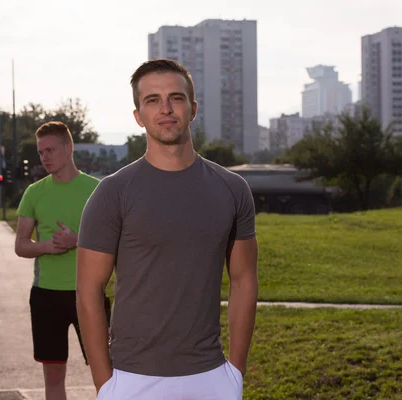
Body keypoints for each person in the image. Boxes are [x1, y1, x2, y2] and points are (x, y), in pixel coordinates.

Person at [76, 59, 259, 400]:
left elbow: (244, 279)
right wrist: (105, 383)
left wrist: (235, 371)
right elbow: (89, 289)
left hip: (211, 377)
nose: (165, 109)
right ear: (138, 116)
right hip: (131, 378)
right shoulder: (113, 192)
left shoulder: (232, 189)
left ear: (192, 108)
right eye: (152, 100)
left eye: (176, 98)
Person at [14, 121, 111, 400]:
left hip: (89, 294)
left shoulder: (98, 189)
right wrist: (46, 246)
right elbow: (21, 245)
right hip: (46, 297)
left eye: (50, 150)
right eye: (41, 152)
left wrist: (76, 241)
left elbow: (115, 243)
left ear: (68, 149)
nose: (44, 157)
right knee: (54, 377)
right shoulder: (35, 192)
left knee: (106, 374)